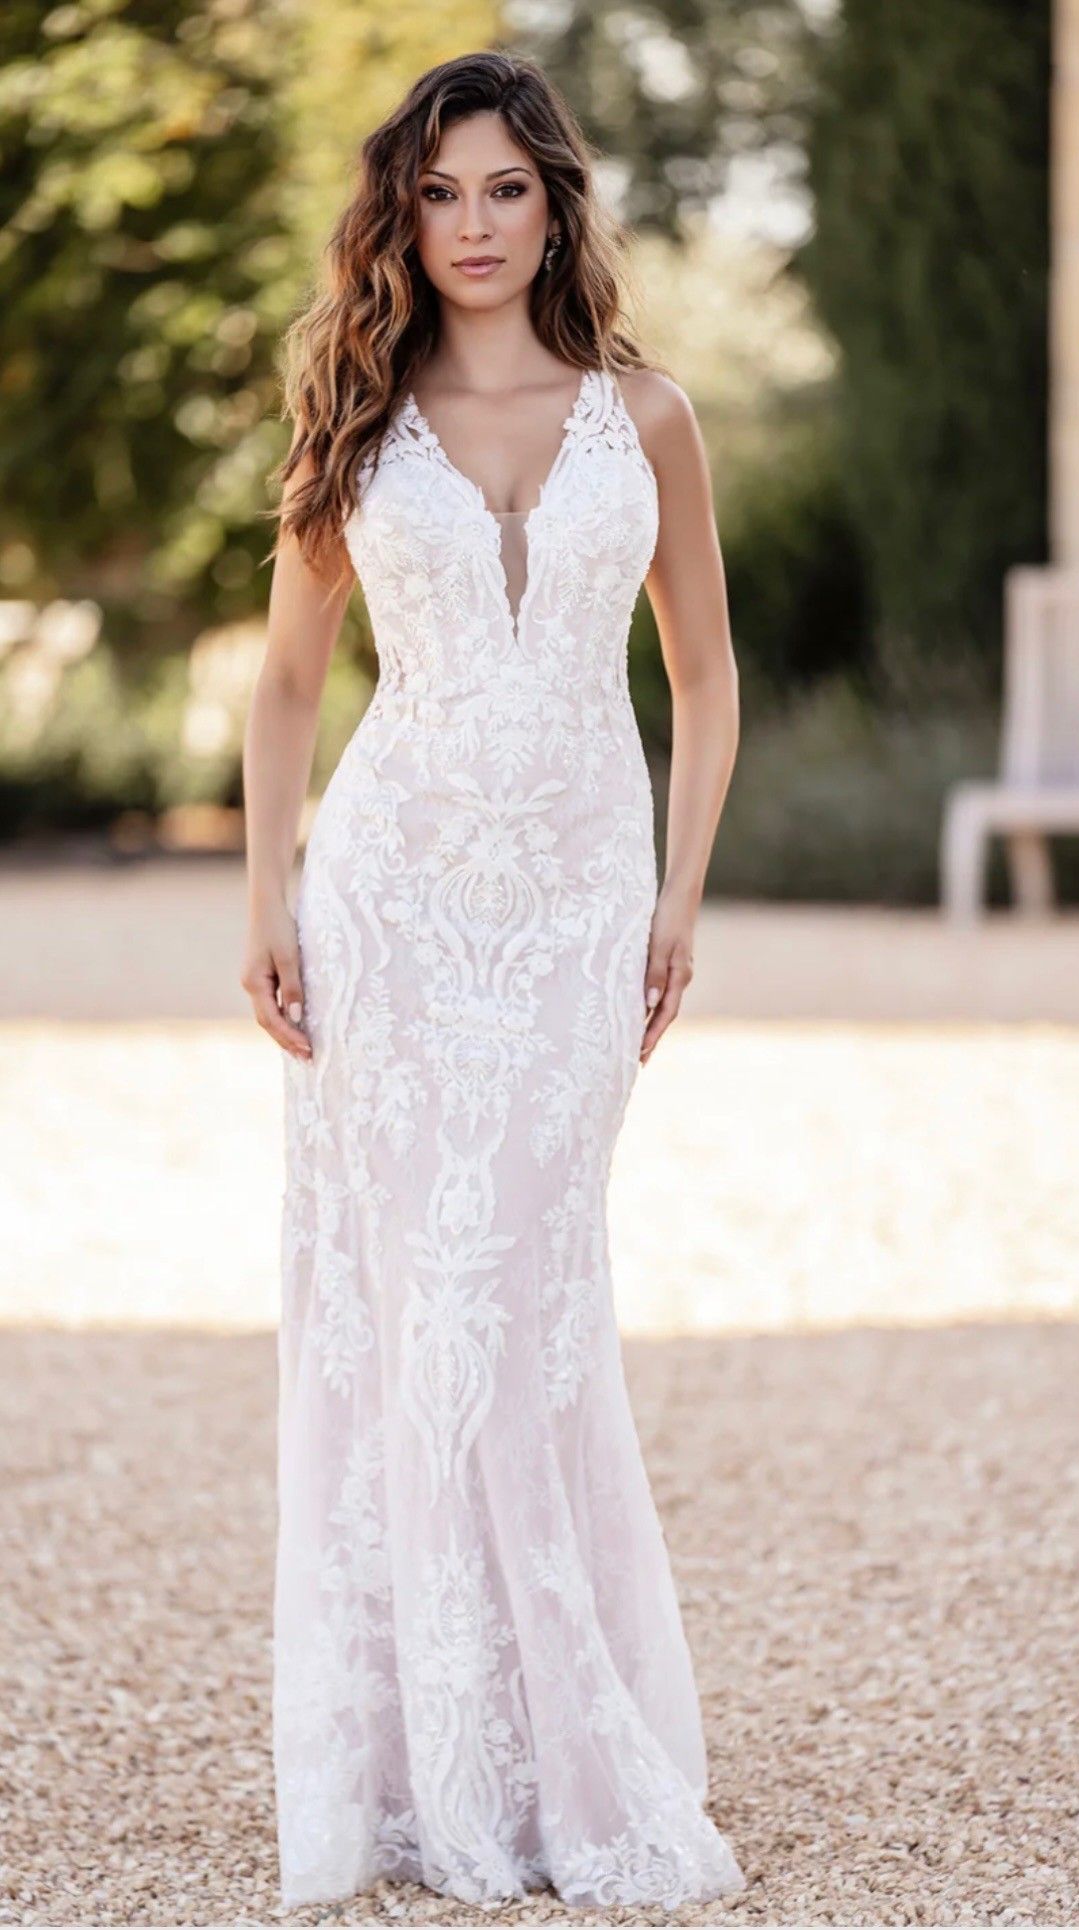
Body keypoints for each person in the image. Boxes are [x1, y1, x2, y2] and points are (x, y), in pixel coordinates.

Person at [240, 47, 744, 1915]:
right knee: (417, 1301)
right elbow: (290, 685)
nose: (468, 227)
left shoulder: (652, 416)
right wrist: (268, 895)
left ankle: (564, 1739)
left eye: (502, 190)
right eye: (438, 194)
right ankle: (433, 1760)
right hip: (389, 903)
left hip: (572, 916)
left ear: (557, 201)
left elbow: (703, 679)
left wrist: (679, 896)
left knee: (521, 1291)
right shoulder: (358, 416)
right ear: (406, 210)